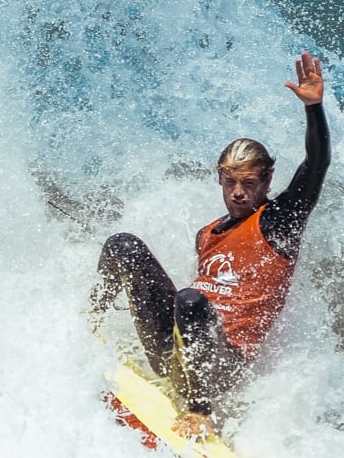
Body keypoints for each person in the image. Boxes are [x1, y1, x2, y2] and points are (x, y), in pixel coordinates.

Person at [91, 51, 331, 437]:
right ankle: (89, 326)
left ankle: (200, 411)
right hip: (176, 351)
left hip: (222, 366)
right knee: (124, 245)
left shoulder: (279, 223)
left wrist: (314, 109)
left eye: (249, 184)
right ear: (220, 179)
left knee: (190, 300)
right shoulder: (208, 233)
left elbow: (316, 167)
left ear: (267, 181)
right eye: (230, 182)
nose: (238, 193)